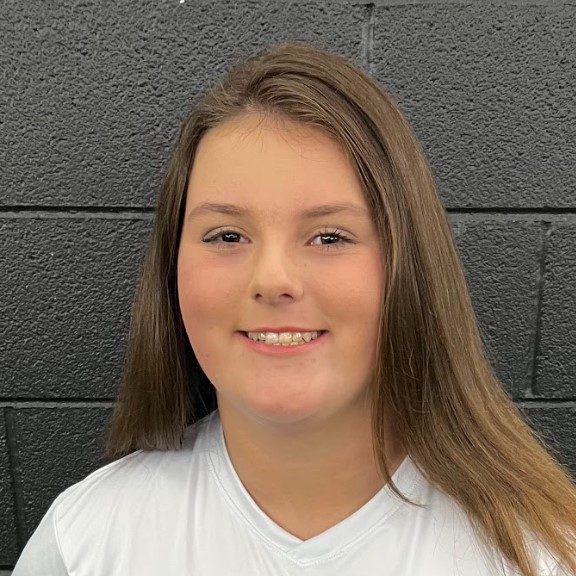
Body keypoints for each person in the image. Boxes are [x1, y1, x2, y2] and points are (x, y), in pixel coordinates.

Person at [12, 40, 576, 576]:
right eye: (227, 236)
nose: (273, 280)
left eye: (329, 237)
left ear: (409, 267)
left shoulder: (541, 553)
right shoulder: (84, 542)